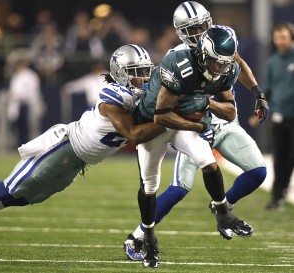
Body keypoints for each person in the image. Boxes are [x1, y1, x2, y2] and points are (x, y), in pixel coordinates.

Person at [124, 1, 269, 262]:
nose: (201, 31)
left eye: (204, 25)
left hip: (210, 119)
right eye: (194, 29)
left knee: (235, 167)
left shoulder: (222, 43)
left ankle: (223, 210)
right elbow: (162, 113)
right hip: (174, 120)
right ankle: (141, 235)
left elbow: (231, 97)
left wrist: (255, 93)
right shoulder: (180, 60)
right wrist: (199, 124)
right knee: (168, 186)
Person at [0, 44, 165, 215]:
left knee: (25, 197)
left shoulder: (138, 96)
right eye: (138, 72)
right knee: (12, 189)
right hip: (64, 148)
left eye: (146, 71)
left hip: (77, 162)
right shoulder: (116, 96)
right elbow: (134, 134)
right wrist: (169, 120)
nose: (145, 78)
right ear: (122, 74)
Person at [263, 22, 294, 210]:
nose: (280, 40)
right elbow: (266, 89)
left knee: (291, 156)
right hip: (278, 116)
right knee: (279, 157)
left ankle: (281, 190)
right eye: (277, 37)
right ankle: (276, 196)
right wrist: (259, 110)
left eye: (283, 36)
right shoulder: (272, 61)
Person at [7, 59, 46, 147]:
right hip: (17, 105)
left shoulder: (31, 76)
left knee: (28, 127)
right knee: (18, 126)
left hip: (28, 104)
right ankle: (18, 145)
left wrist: (20, 96)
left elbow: (33, 91)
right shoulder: (16, 75)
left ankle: (27, 145)